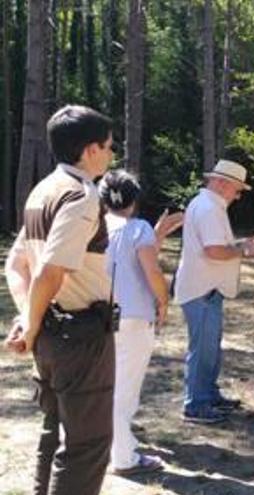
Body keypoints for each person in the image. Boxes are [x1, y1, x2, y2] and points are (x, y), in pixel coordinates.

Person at [3, 105, 116, 495]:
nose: (111, 155)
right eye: (108, 147)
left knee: (54, 434)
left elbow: (16, 264)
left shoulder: (42, 191)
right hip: (79, 338)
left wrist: (28, 319)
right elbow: (50, 270)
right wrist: (30, 324)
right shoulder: (81, 196)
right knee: (87, 446)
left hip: (52, 336)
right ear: (89, 151)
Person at [99, 171, 183, 475]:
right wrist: (163, 301)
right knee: (125, 388)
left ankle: (107, 445)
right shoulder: (138, 228)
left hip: (98, 314)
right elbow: (151, 271)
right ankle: (123, 457)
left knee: (104, 385)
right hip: (134, 317)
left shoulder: (95, 227)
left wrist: (157, 234)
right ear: (133, 200)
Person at [175, 159, 254, 424]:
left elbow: (216, 245)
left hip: (206, 290)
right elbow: (213, 251)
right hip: (202, 290)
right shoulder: (209, 209)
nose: (238, 196)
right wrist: (242, 250)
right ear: (222, 183)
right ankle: (196, 404)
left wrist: (240, 245)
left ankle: (208, 395)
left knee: (209, 349)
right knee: (203, 350)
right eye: (237, 190)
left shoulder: (210, 206)